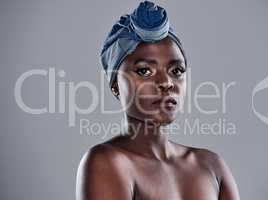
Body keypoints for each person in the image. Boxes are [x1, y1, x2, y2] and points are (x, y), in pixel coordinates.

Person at [76, 1, 240, 199]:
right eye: (144, 71)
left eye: (176, 71)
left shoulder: (211, 165)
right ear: (116, 86)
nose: (166, 82)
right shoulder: (107, 162)